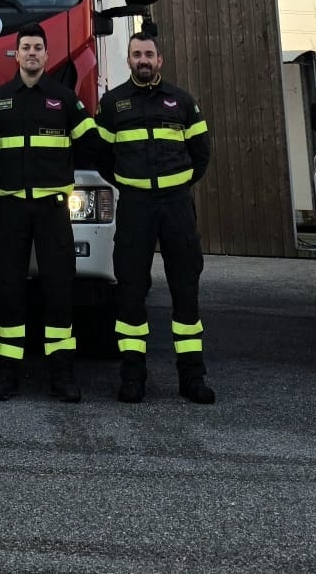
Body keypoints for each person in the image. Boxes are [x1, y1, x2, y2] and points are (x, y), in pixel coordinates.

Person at [0, 24, 96, 402]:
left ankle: (62, 374)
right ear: (17, 54)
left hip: (52, 210)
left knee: (59, 288)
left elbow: (89, 142)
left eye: (37, 48)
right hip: (11, 208)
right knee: (8, 288)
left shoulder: (64, 99)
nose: (31, 53)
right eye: (25, 47)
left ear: (46, 54)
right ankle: (6, 373)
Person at [95, 32, 215, 404]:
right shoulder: (112, 105)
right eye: (137, 54)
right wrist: (132, 184)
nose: (143, 60)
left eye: (149, 54)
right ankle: (132, 378)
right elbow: (102, 157)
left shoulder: (183, 102)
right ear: (129, 61)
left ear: (159, 60)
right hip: (135, 206)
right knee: (131, 290)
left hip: (176, 205)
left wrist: (177, 184)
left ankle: (192, 378)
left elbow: (201, 153)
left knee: (185, 289)